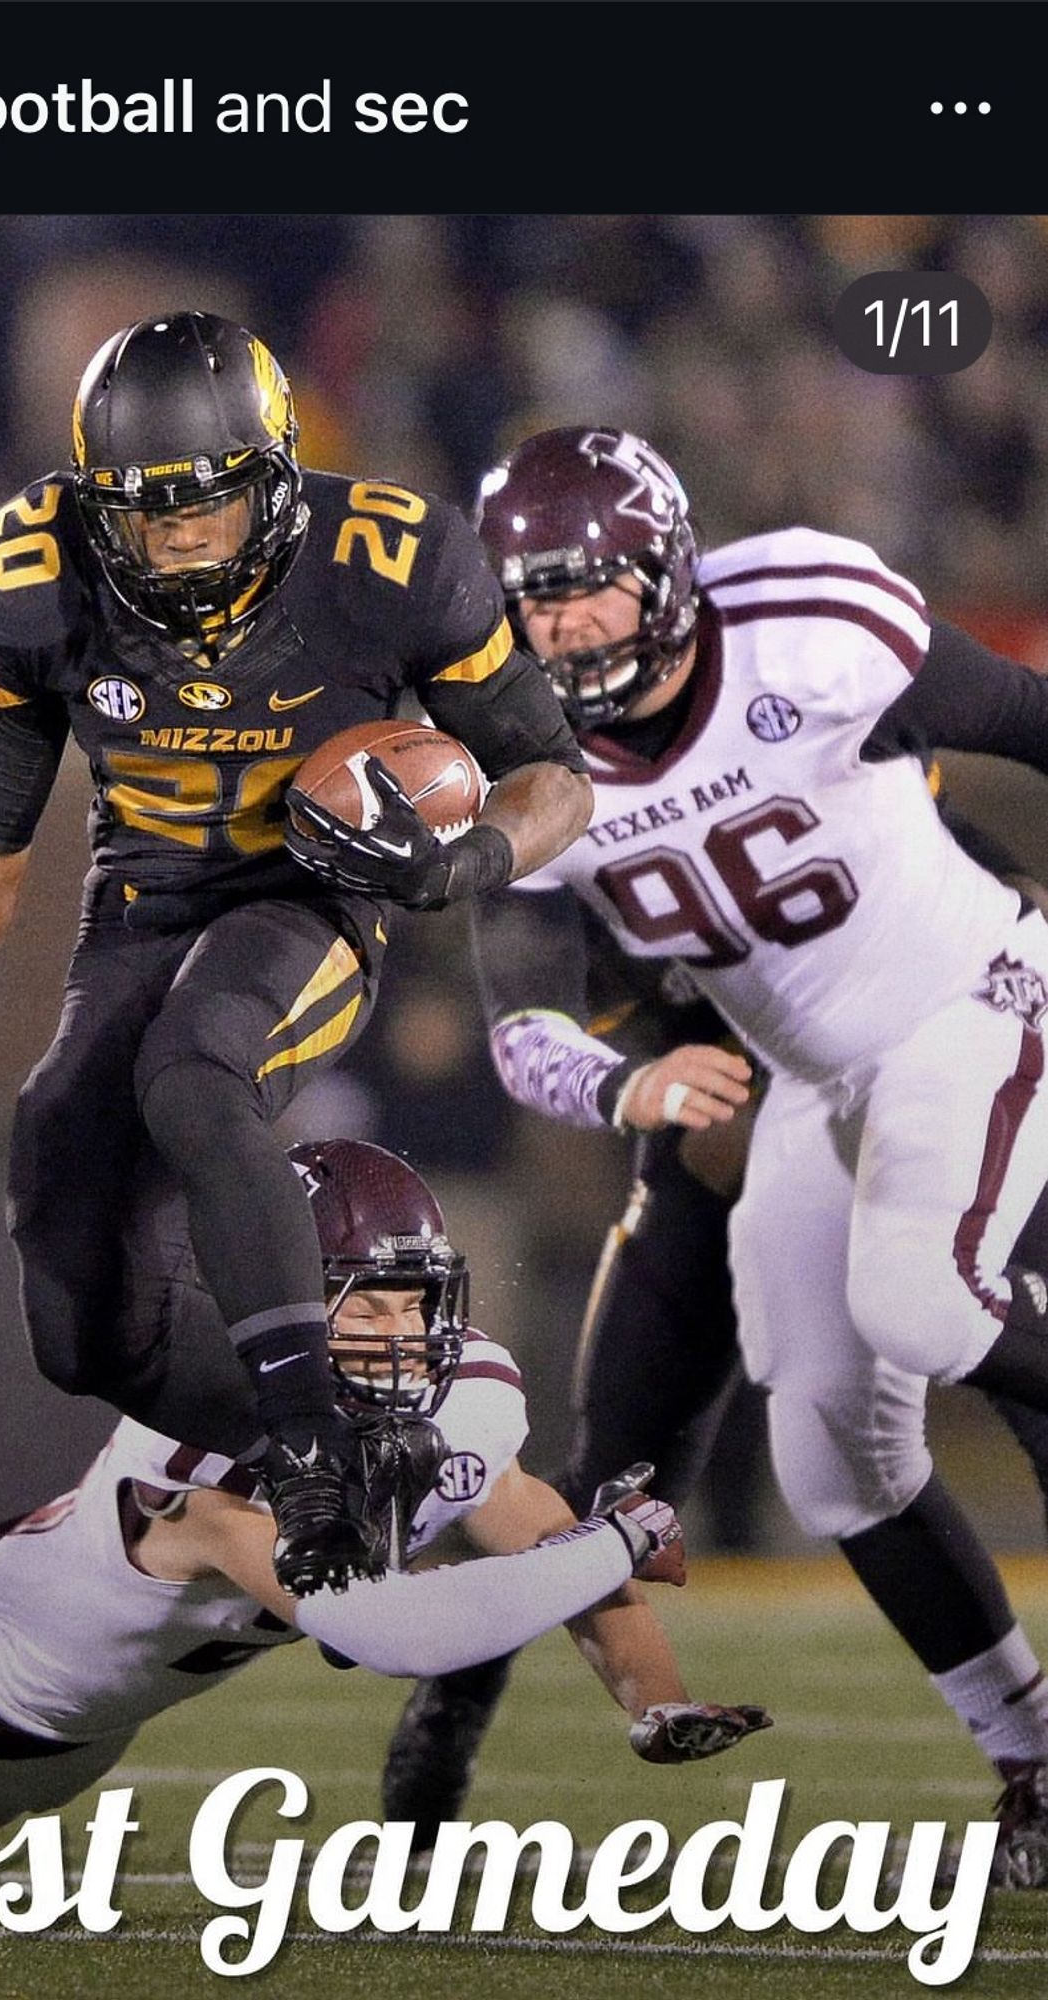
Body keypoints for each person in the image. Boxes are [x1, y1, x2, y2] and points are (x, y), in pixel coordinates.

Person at [362, 424, 1048, 1885]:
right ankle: (1032, 1759)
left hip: (970, 991)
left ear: (668, 570)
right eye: (531, 598)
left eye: (589, 587)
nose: (561, 625)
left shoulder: (811, 620)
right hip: (806, 1082)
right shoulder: (521, 764)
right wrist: (631, 1083)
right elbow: (521, 1027)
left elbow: (1027, 717)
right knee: (833, 1461)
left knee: (922, 1297)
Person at [0, 311, 593, 1598]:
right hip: (141, 903)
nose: (183, 537)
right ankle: (394, 1440)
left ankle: (318, 1448)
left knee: (193, 1073)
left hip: (313, 894)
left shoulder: (389, 552)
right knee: (75, 1304)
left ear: (275, 472)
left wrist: (467, 860)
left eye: (209, 503)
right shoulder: (32, 572)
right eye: (149, 512)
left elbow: (550, 775)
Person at [0, 1141, 769, 1848]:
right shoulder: (200, 1465)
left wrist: (650, 1696)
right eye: (354, 1303)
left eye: (410, 1299)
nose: (394, 1336)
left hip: (75, 1727)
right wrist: (617, 1539)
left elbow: (532, 1522)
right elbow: (379, 1625)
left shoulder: (461, 1388)